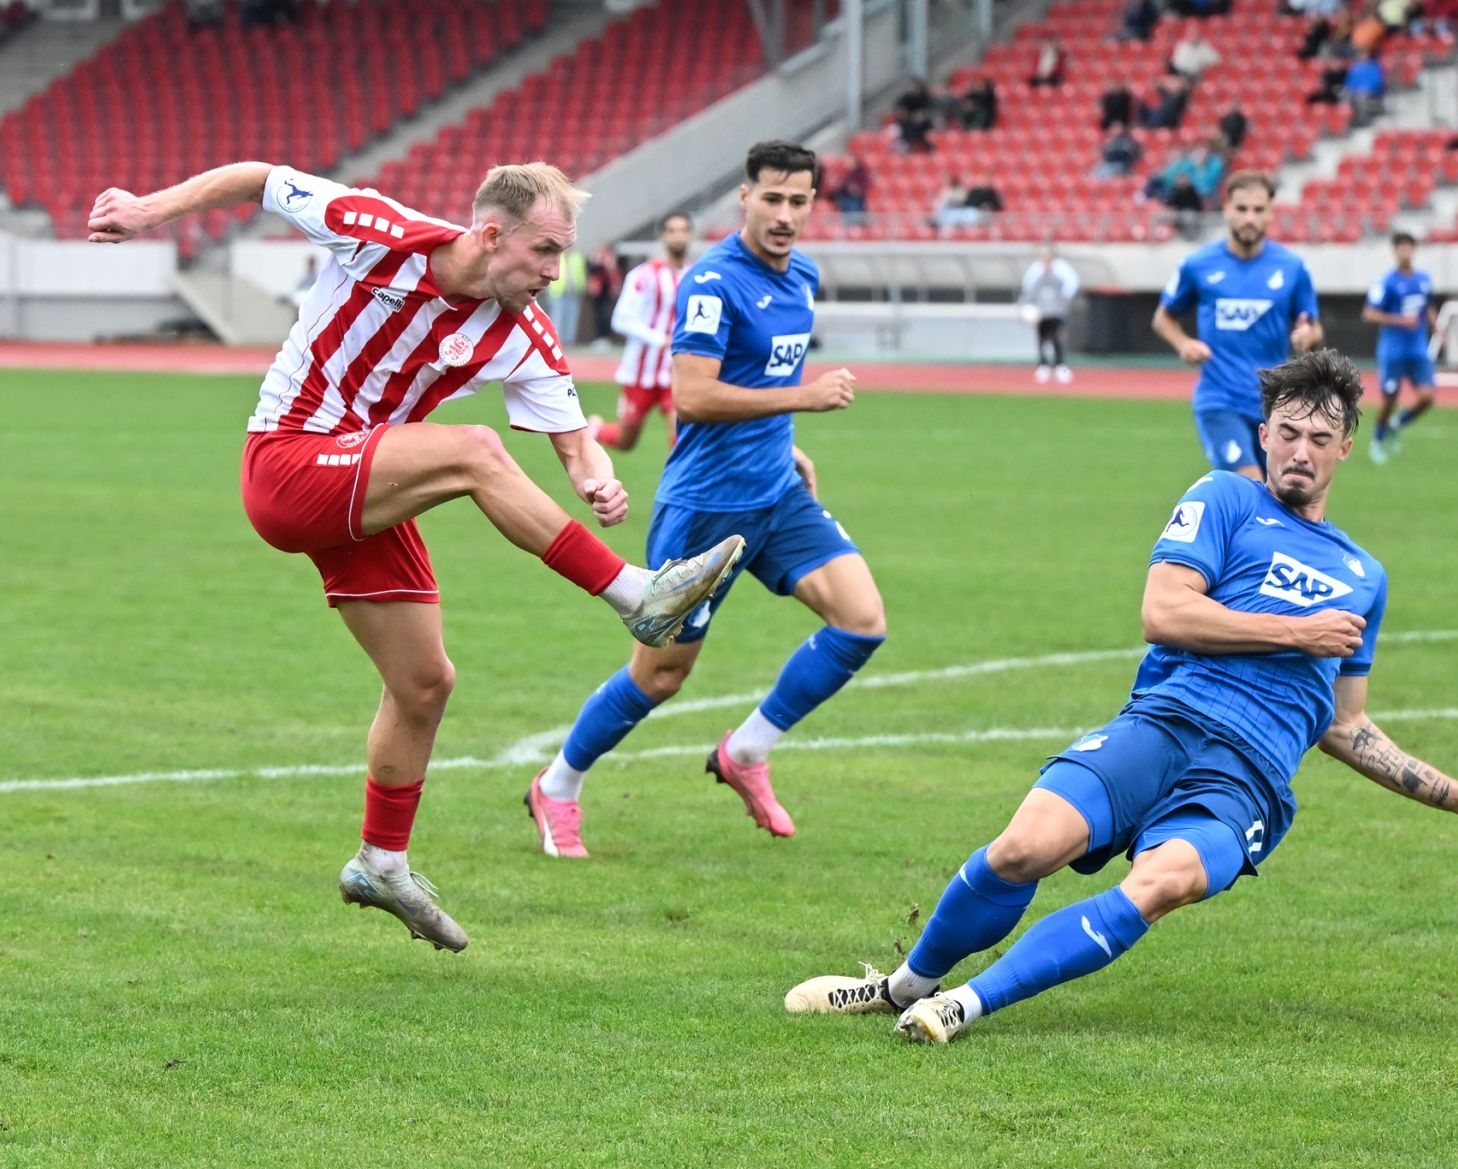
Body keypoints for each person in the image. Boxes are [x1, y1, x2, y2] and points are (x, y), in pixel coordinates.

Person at [784, 350, 1458, 1044]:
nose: (1301, 452)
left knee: (1160, 885)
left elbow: (1345, 723)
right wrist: (1296, 631)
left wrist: (1451, 791)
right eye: (1289, 433)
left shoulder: (1364, 575)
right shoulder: (1225, 500)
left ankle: (963, 1005)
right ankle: (902, 987)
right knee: (1023, 849)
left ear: (1345, 448)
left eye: (1321, 439)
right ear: (1263, 435)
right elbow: (1164, 612)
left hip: (1245, 780)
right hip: (1163, 726)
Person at [86, 162, 740, 950]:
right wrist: (147, 209)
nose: (554, 271)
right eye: (544, 250)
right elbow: (260, 178)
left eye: (562, 254)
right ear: (491, 236)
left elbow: (576, 445)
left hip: (365, 482)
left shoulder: (523, 329)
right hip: (288, 462)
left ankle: (381, 862)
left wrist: (596, 479)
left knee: (425, 682)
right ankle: (636, 595)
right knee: (474, 450)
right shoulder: (378, 230)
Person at [528, 141, 876, 855]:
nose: (784, 215)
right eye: (772, 198)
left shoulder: (803, 275)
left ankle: (746, 751)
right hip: (706, 509)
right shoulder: (714, 282)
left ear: (813, 203)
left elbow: (762, 378)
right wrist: (804, 399)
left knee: (861, 622)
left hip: (777, 494)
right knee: (660, 675)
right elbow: (692, 395)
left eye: (798, 201)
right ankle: (557, 785)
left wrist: (785, 440)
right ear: (745, 198)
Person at [1152, 171, 1324, 479]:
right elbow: (1163, 318)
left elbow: (1314, 326)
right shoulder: (1198, 264)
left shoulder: (1292, 268)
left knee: (1280, 494)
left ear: (1270, 213)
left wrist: (1307, 335)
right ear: (1226, 210)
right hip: (1220, 400)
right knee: (1249, 484)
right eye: (1242, 209)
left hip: (1275, 405)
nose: (1249, 218)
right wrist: (1184, 343)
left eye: (1258, 210)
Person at [592, 211, 691, 453]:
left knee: (681, 437)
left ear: (690, 235)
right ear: (663, 237)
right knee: (626, 441)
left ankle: (677, 478)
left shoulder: (696, 276)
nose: (678, 236)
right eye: (672, 231)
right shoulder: (644, 275)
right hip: (640, 371)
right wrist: (660, 338)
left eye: (683, 231)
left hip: (675, 371)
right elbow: (620, 320)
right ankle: (596, 430)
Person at [1362, 232, 1438, 465]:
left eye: (1409, 247)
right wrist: (1400, 320)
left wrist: (1438, 329)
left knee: (1427, 397)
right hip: (1393, 350)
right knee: (1389, 400)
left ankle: (1396, 424)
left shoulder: (1424, 279)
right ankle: (1377, 440)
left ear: (1414, 250)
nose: (1405, 252)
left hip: (1417, 349)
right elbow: (1369, 314)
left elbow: (1428, 306)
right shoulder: (1386, 282)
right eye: (1401, 248)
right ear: (1395, 251)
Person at [1019, 243, 1082, 383]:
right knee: (1042, 339)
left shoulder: (1061, 272)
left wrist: (1063, 304)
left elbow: (1070, 287)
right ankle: (1043, 365)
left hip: (1057, 312)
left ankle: (1060, 365)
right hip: (1042, 313)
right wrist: (1026, 307)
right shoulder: (1036, 273)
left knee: (1058, 338)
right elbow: (1028, 290)